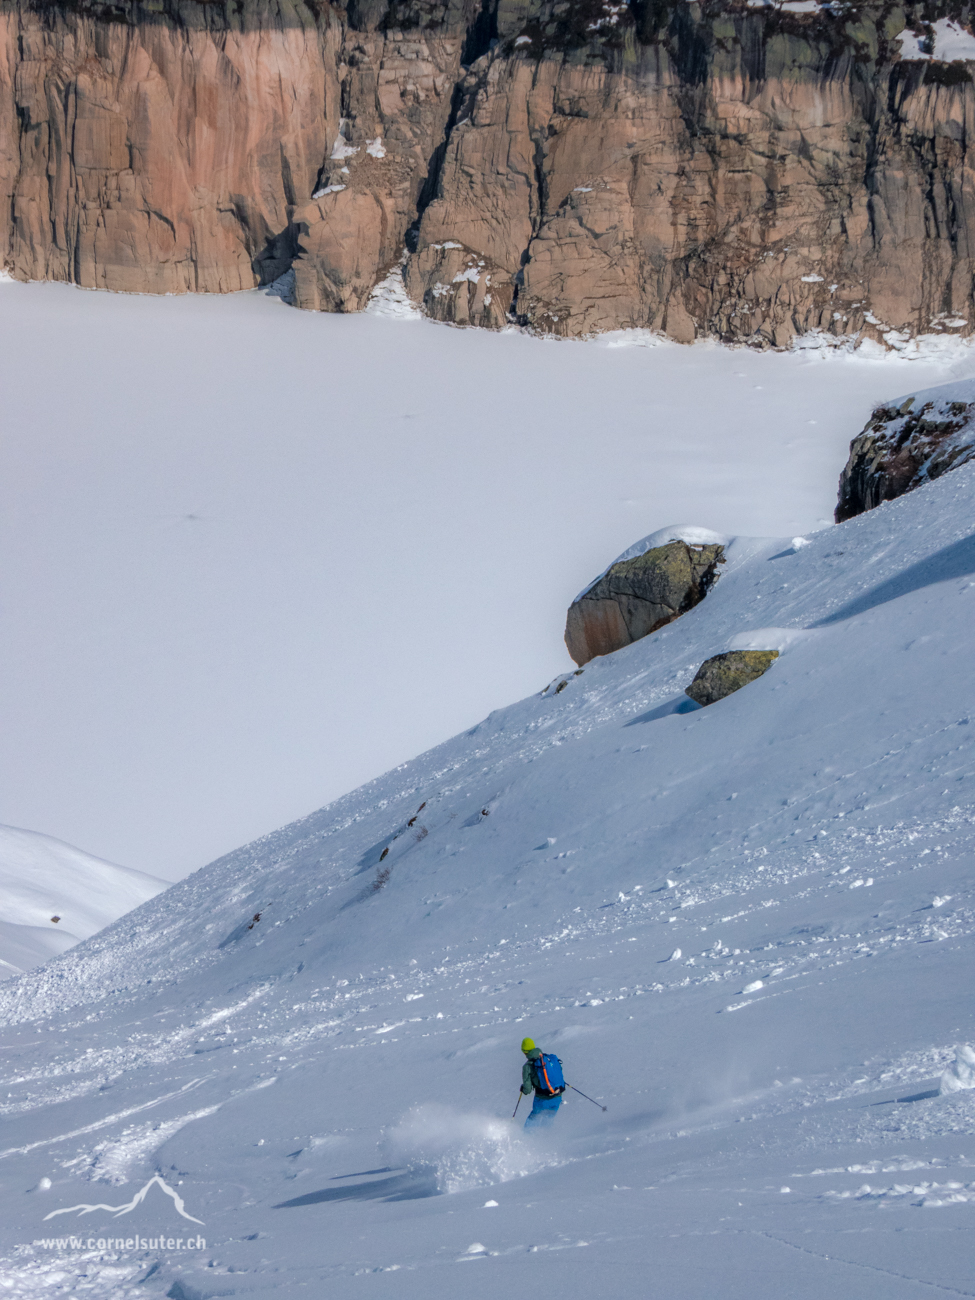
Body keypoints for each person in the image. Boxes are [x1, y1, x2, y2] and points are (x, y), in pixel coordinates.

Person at [520, 1037, 565, 1129]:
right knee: (548, 1119)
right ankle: (546, 1138)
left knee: (533, 1119)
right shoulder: (547, 1058)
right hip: (557, 1096)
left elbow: (527, 1089)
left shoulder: (528, 1066)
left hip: (542, 1098)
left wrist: (523, 1089)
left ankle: (526, 1139)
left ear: (524, 1052)